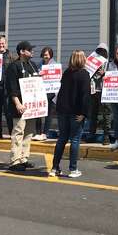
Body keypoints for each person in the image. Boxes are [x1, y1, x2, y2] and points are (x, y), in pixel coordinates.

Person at [51, 50, 90, 178]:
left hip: (63, 110)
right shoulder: (84, 74)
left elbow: (61, 92)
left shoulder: (67, 73)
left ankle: (54, 167)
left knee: (62, 138)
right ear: (82, 59)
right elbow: (85, 96)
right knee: (75, 139)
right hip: (76, 112)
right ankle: (73, 169)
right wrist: (84, 113)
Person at [4, 41, 39, 172]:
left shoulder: (33, 66)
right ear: (22, 52)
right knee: (18, 132)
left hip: (32, 106)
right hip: (19, 105)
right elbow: (11, 87)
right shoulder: (14, 67)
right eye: (30, 50)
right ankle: (15, 160)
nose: (32, 52)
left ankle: (24, 158)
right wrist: (17, 103)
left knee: (28, 133)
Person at [86, 44, 112, 144]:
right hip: (93, 90)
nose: (100, 53)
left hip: (105, 91)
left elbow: (114, 76)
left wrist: (104, 74)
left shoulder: (109, 64)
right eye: (99, 51)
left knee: (106, 114)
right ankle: (91, 134)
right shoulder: (91, 61)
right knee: (92, 113)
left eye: (103, 51)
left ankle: (106, 136)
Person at [33, 46, 56, 142]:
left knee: (48, 114)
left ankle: (44, 133)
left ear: (50, 55)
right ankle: (38, 133)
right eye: (44, 55)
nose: (45, 56)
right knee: (38, 112)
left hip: (51, 92)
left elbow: (58, 78)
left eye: (47, 55)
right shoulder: (38, 65)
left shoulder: (55, 65)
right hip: (40, 91)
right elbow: (34, 75)